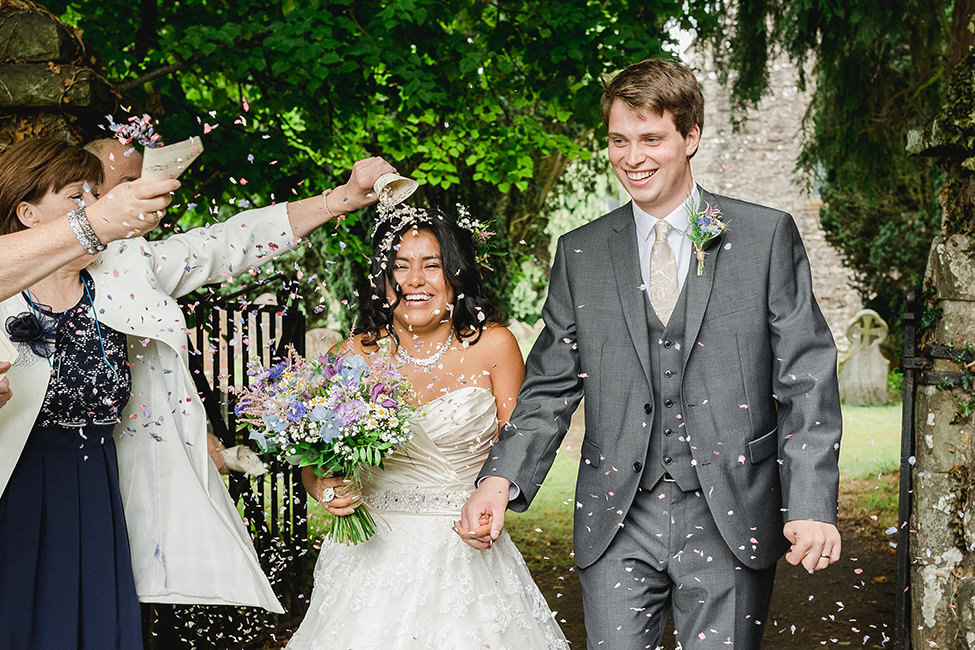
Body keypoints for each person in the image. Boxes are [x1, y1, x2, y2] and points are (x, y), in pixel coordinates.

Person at [460, 58, 843, 650]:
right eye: (619, 140)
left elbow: (806, 378)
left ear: (690, 137)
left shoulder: (764, 237)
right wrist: (500, 480)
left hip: (730, 515)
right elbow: (550, 385)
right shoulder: (581, 253)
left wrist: (812, 503)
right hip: (616, 521)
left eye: (651, 138)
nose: (631, 157)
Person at [0, 135, 396, 649]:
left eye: (96, 195)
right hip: (14, 493)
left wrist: (341, 197)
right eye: (79, 196)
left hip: (98, 495)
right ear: (28, 214)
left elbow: (227, 244)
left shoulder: (124, 271)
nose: (98, 208)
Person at [285, 205, 569, 650]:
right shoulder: (352, 355)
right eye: (399, 266)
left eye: (431, 265)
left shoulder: (495, 346)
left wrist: (493, 508)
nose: (414, 280)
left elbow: (517, 445)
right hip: (368, 561)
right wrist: (325, 487)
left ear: (456, 274)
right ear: (382, 280)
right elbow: (313, 460)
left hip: (465, 556)